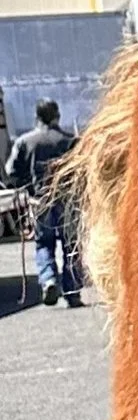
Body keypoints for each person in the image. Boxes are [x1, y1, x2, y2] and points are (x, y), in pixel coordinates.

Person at [5, 95, 82, 305]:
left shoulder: (24, 142)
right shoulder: (71, 141)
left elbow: (11, 171)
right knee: (71, 246)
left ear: (37, 117)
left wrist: (27, 186)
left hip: (40, 201)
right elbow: (82, 172)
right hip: (68, 201)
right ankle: (72, 293)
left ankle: (48, 280)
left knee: (44, 244)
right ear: (57, 116)